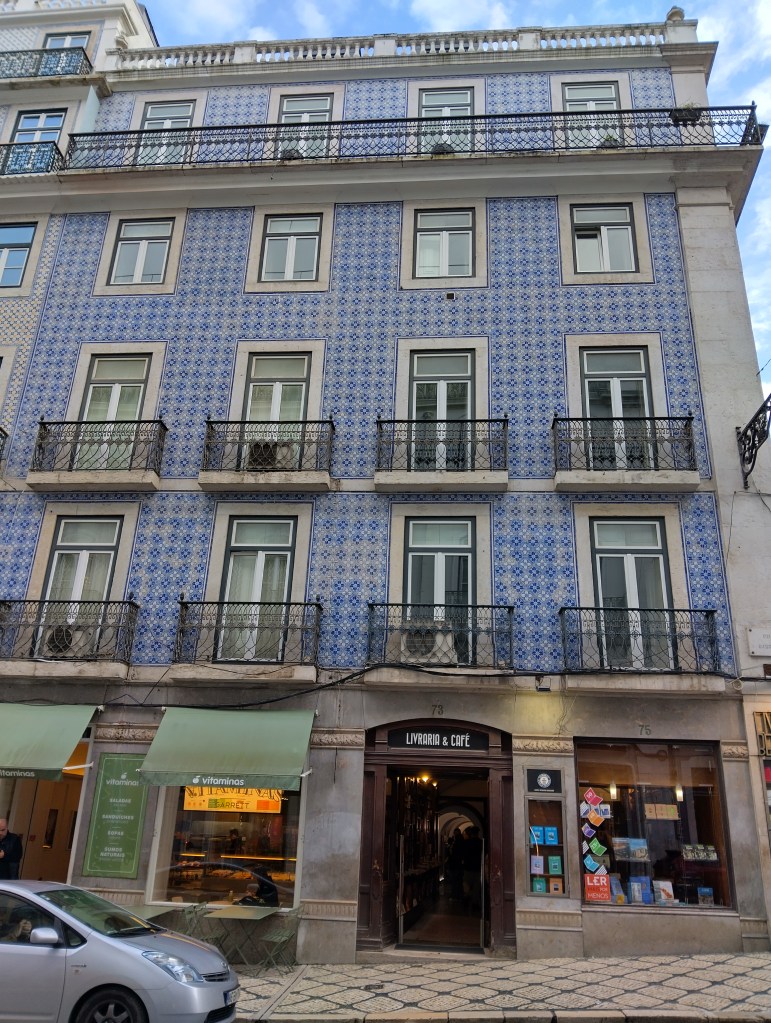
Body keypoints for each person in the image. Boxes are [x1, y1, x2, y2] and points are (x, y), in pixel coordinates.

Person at [462, 826, 484, 913]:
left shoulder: (467, 843)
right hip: (477, 868)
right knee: (476, 887)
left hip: (468, 867)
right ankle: (475, 903)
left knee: (466, 885)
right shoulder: (481, 843)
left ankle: (466, 898)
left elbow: (464, 854)